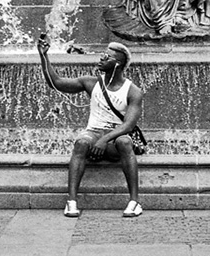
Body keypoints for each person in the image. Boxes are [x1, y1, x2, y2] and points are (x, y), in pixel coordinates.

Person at [37, 36, 144, 218]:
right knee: (81, 143)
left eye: (107, 56)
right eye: (103, 54)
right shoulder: (91, 83)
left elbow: (128, 125)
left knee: (125, 142)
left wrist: (104, 140)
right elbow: (57, 83)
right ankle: (71, 202)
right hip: (94, 134)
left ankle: (134, 202)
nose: (101, 58)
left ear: (117, 64)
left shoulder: (133, 91)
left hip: (115, 138)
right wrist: (44, 56)